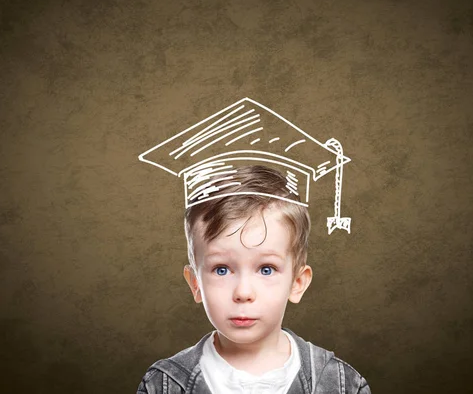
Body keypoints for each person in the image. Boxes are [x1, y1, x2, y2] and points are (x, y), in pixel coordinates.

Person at [136, 165, 370, 393]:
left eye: (266, 269)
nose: (243, 292)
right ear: (195, 284)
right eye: (221, 270)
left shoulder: (341, 385)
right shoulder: (163, 385)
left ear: (297, 283)